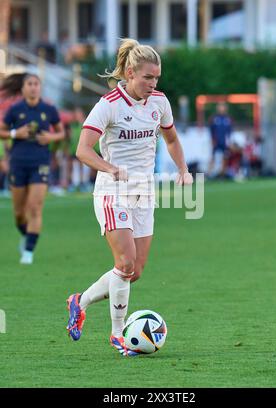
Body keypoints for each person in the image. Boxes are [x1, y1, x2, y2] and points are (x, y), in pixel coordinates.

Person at [66, 38, 193, 356]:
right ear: (131, 72)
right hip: (112, 192)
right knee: (123, 263)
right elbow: (82, 150)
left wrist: (183, 169)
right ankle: (117, 333)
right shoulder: (109, 104)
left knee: (133, 272)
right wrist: (110, 168)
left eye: (157, 78)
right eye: (148, 77)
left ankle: (78, 302)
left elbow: (172, 139)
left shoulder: (160, 103)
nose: (153, 83)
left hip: (144, 193)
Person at [0, 73, 65, 264]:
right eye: (30, 84)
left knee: (35, 208)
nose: (33, 87)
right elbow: (1, 131)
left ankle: (28, 252)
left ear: (40, 87)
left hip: (40, 163)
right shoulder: (14, 109)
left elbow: (61, 133)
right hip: (18, 164)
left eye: (36, 84)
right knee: (19, 213)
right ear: (23, 88)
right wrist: (15, 133)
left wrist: (50, 138)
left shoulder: (49, 109)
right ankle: (27, 235)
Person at [208, 102, 232, 178]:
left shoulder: (228, 119)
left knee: (225, 157)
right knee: (213, 157)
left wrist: (229, 142)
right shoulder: (214, 118)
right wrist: (212, 140)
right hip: (216, 141)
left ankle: (223, 173)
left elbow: (229, 132)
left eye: (222, 107)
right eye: (220, 107)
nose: (221, 109)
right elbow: (211, 131)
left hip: (224, 142)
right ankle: (209, 174)